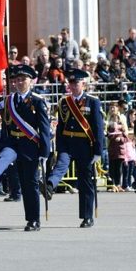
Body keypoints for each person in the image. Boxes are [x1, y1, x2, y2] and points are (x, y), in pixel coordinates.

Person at [0, 64, 52, 231]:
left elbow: (44, 128)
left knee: (29, 184)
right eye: (17, 80)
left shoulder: (37, 101)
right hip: (12, 143)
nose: (19, 83)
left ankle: (33, 220)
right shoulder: (8, 100)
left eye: (23, 79)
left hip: (30, 146)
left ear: (31, 81)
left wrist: (45, 152)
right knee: (4, 156)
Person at [43, 69, 104, 228]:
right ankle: (49, 186)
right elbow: (61, 126)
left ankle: (87, 217)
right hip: (68, 143)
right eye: (71, 83)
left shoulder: (92, 101)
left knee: (85, 182)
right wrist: (59, 146)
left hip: (85, 146)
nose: (73, 86)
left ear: (83, 83)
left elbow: (98, 127)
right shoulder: (64, 102)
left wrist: (98, 151)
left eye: (76, 83)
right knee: (61, 165)